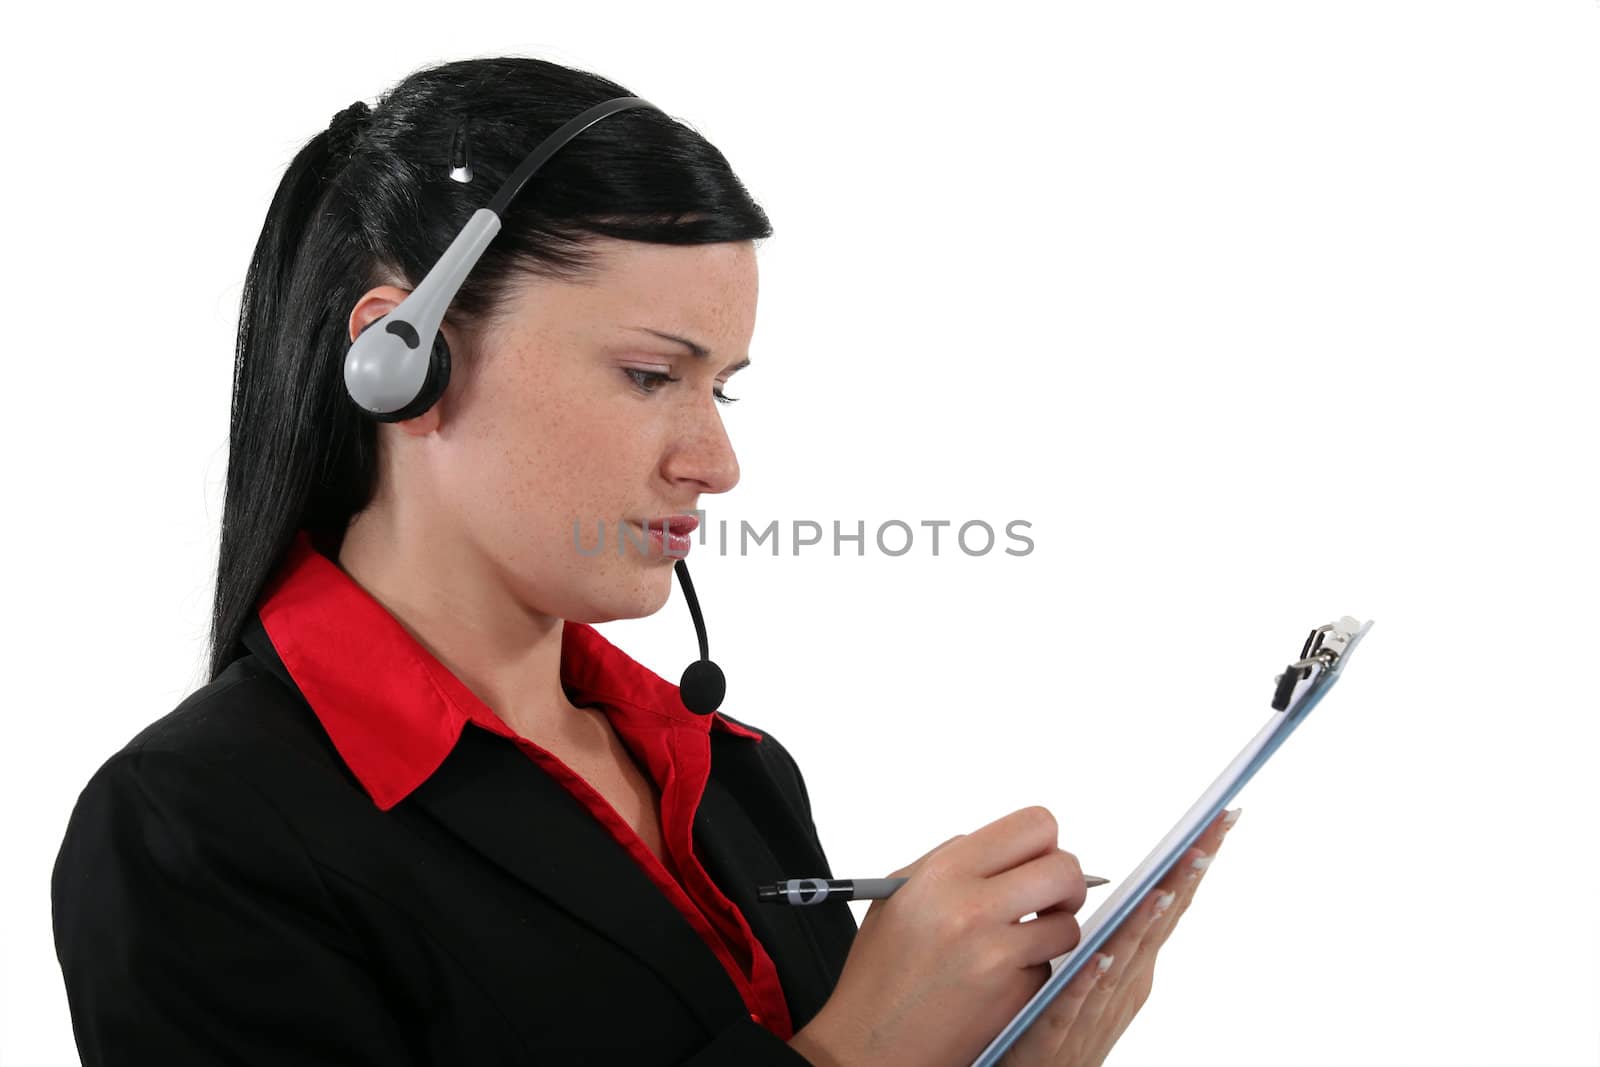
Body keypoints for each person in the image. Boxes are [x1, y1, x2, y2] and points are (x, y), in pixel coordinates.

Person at [49, 55, 1236, 1066]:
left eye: (721, 388)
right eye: (650, 374)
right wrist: (841, 1053)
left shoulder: (736, 776)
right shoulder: (192, 831)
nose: (716, 463)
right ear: (401, 357)